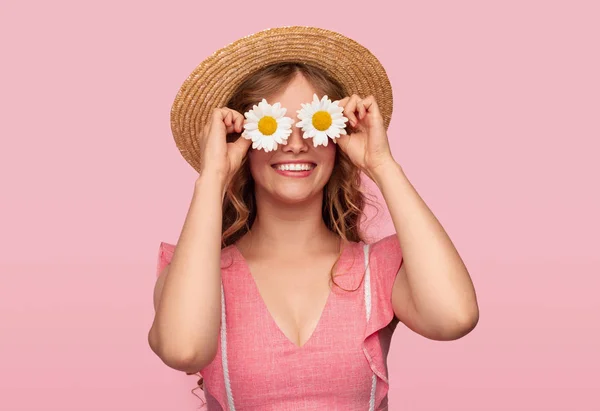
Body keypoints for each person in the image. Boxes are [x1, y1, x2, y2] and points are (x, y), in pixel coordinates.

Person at [148, 26, 479, 411]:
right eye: (272, 124)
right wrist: (213, 177)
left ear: (339, 137)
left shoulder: (379, 271)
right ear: (241, 140)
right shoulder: (198, 276)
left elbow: (455, 317)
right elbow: (183, 348)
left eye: (314, 123)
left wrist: (381, 164)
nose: (295, 143)